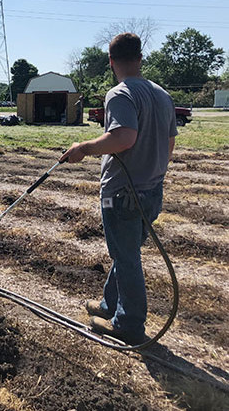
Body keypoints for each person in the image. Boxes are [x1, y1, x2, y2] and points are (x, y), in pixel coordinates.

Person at [59, 33, 177, 345]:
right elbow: (169, 144)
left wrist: (83, 147)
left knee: (126, 258)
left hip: (122, 194)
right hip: (152, 191)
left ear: (111, 62)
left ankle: (128, 324)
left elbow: (123, 137)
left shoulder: (120, 94)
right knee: (127, 252)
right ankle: (110, 305)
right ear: (140, 58)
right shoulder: (162, 95)